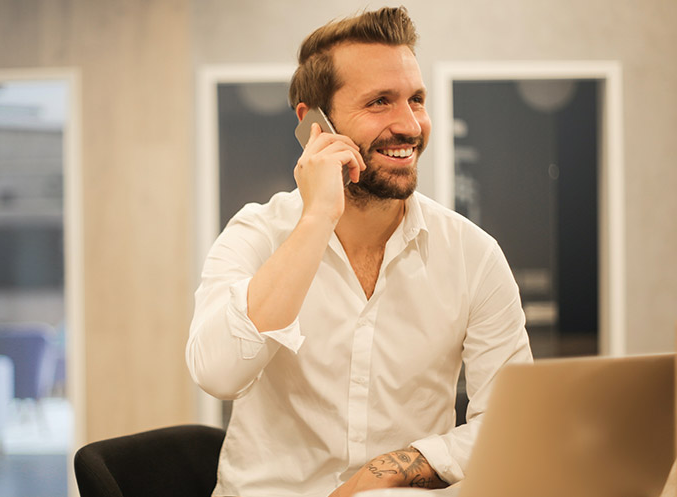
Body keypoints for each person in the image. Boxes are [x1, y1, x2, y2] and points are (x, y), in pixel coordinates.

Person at [186, 6, 532, 497]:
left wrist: (390, 468)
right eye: (379, 103)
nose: (410, 125)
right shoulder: (256, 233)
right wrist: (316, 220)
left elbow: (510, 425)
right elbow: (218, 373)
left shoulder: (472, 255)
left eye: (416, 99)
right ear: (314, 126)